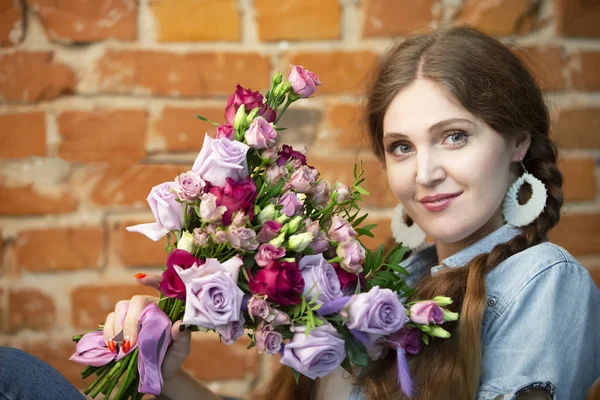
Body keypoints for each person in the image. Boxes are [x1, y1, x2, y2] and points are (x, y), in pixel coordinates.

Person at [0, 25, 598, 400]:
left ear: (517, 141)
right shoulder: (385, 282)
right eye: (401, 147)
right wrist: (170, 369)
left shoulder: (542, 281)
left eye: (455, 137)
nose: (424, 173)